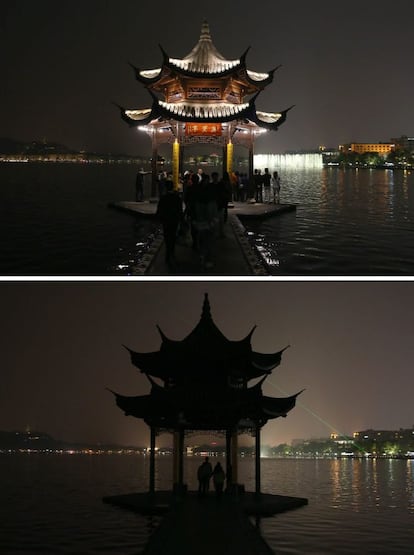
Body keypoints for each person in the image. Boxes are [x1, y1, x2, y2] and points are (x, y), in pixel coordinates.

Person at [156, 181, 183, 270]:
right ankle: (172, 252)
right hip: (174, 220)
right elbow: (180, 209)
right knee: (173, 235)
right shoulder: (177, 197)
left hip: (166, 220)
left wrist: (159, 218)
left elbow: (159, 210)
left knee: (167, 236)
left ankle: (168, 253)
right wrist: (181, 219)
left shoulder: (163, 198)